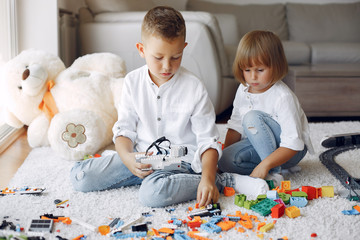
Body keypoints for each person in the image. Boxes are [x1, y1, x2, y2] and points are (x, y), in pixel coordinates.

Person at [70, 7, 268, 208]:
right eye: (158, 58)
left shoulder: (194, 87)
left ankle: (221, 180)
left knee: (152, 195)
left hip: (179, 164)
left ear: (184, 47)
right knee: (80, 176)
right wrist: (127, 158)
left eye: (176, 57)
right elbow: (124, 130)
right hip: (142, 159)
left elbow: (208, 142)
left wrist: (207, 179)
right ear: (141, 50)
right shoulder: (132, 82)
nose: (167, 66)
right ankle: (149, 179)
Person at [218, 30, 314, 187]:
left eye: (260, 70)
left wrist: (266, 165)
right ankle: (267, 166)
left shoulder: (282, 96)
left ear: (276, 66)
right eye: (247, 70)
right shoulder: (243, 89)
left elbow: (293, 143)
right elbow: (235, 126)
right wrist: (220, 161)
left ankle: (274, 172)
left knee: (251, 118)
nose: (253, 77)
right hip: (259, 144)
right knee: (225, 161)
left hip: (290, 150)